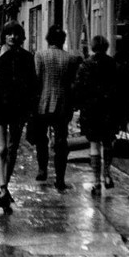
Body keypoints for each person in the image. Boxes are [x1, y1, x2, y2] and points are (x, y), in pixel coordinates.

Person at [0, 20, 37, 211]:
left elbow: (32, 85)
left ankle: (4, 187)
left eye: (16, 34)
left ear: (21, 37)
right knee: (2, 149)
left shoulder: (27, 58)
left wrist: (30, 110)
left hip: (18, 110)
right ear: (4, 35)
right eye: (9, 33)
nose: (13, 37)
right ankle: (3, 188)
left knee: (12, 150)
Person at [31, 25, 81, 190]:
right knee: (61, 141)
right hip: (63, 104)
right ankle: (60, 179)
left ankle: (42, 169)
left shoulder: (40, 55)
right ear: (63, 40)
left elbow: (37, 79)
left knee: (41, 139)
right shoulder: (70, 59)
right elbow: (72, 84)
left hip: (42, 104)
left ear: (48, 39)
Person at [73, 35, 119, 196]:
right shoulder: (113, 63)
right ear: (106, 46)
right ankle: (107, 173)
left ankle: (96, 182)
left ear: (92, 47)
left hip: (91, 110)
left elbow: (79, 88)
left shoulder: (86, 64)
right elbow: (118, 89)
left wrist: (78, 106)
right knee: (108, 143)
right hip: (109, 110)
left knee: (94, 145)